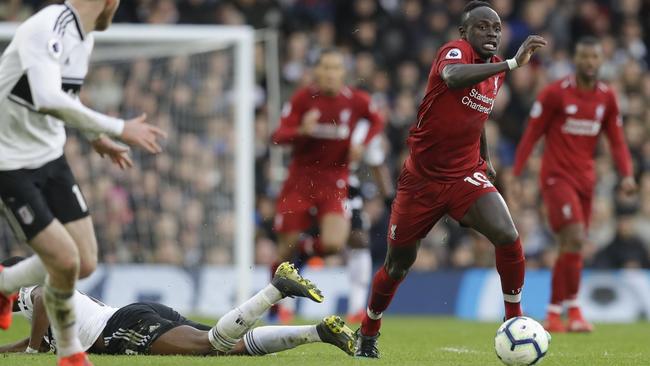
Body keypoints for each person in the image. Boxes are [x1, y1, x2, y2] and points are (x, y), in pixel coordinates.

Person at [354, 1, 547, 358]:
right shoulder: (455, 52)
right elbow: (453, 77)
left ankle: (513, 321)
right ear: (464, 32)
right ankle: (368, 329)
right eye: (482, 27)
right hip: (421, 181)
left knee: (507, 235)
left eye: (496, 29)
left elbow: (477, 115)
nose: (491, 33)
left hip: (463, 176)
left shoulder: (494, 69)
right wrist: (513, 63)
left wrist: (484, 155)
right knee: (397, 265)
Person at [0, 1, 166, 365]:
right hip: (9, 161)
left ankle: (5, 283)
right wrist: (119, 127)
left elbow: (67, 97)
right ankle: (69, 352)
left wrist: (95, 139)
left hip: (51, 157)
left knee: (85, 262)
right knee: (63, 258)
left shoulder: (84, 37)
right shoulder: (46, 28)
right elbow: (45, 98)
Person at [513, 37, 636, 333]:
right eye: (584, 57)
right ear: (575, 59)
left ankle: (555, 314)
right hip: (556, 178)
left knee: (571, 246)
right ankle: (575, 309)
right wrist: (516, 174)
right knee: (576, 237)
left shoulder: (606, 97)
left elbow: (617, 141)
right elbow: (532, 134)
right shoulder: (555, 94)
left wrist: (627, 174)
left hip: (585, 180)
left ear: (601, 61)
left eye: (594, 57)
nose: (590, 63)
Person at [0, 259, 356, 357]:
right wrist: (12, 349)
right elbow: (46, 342)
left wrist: (30, 346)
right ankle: (318, 332)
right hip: (134, 313)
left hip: (120, 327)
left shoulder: (32, 289)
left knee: (211, 345)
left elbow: (42, 302)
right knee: (230, 347)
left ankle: (276, 289)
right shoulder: (42, 304)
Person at [270, 48, 384, 319]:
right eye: (326, 68)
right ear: (317, 71)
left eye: (336, 68)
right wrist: (301, 131)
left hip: (335, 181)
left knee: (334, 243)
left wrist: (362, 144)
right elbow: (278, 136)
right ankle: (278, 306)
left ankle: (305, 250)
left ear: (344, 73)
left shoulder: (356, 101)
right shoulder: (302, 99)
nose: (331, 74)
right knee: (283, 250)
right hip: (299, 181)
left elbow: (378, 120)